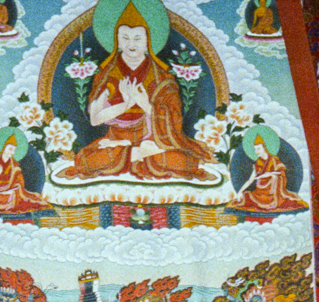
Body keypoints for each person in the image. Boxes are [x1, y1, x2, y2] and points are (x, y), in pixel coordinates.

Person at [58, 5, 214, 181]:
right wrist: (125, 105)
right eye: (125, 38)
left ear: (148, 40)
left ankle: (134, 155)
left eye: (137, 38)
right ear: (117, 40)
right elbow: (95, 119)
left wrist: (145, 104)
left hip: (155, 140)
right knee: (85, 160)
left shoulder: (162, 78)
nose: (131, 44)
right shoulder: (107, 75)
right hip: (116, 140)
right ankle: (137, 155)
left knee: (186, 162)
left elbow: (175, 120)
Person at [0, 136, 54, 215]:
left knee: (26, 199)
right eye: (10, 149)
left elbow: (20, 183)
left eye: (14, 150)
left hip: (12, 193)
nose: (12, 152)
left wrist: (16, 188)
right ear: (4, 148)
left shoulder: (14, 165)